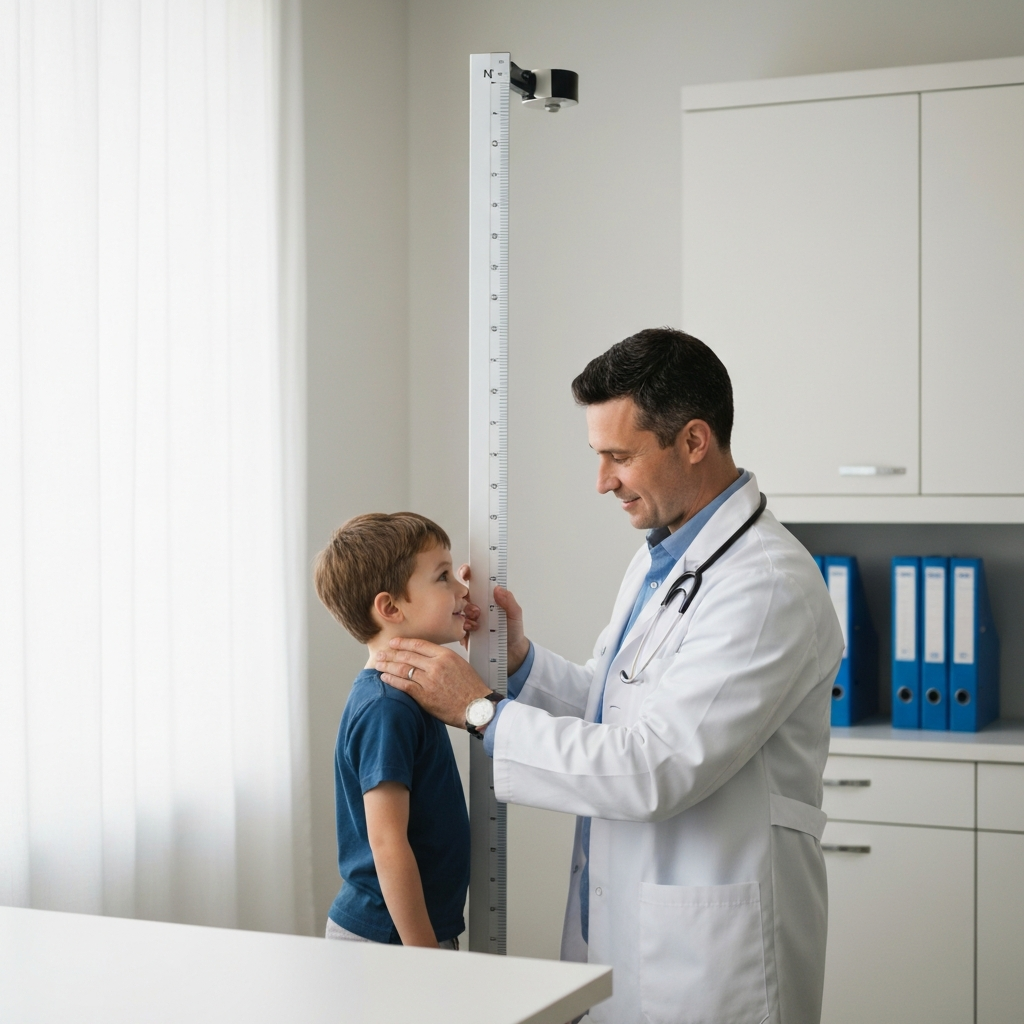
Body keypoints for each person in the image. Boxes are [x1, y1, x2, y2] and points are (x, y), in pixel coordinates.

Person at [376, 328, 845, 1022]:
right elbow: (616, 706)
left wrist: (482, 714)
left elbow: (653, 766)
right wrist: (522, 664)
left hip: (714, 961)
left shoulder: (767, 585)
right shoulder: (663, 559)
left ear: (693, 440)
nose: (602, 482)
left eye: (619, 457)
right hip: (633, 932)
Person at [313, 512, 473, 949]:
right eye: (443, 577)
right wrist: (423, 955)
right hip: (389, 938)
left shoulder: (405, 696)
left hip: (405, 934)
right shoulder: (387, 708)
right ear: (390, 608)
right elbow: (386, 843)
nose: (463, 589)